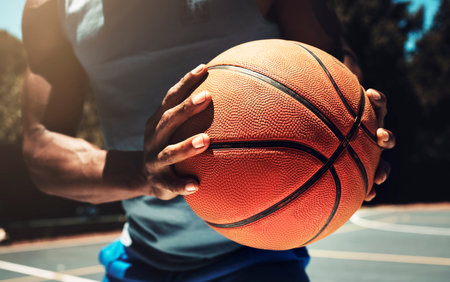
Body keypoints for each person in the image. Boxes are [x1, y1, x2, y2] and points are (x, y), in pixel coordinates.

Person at [21, 0, 395, 281]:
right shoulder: (49, 6)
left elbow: (332, 60)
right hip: (142, 257)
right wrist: (141, 173)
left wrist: (356, 127)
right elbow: (40, 145)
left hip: (262, 255)